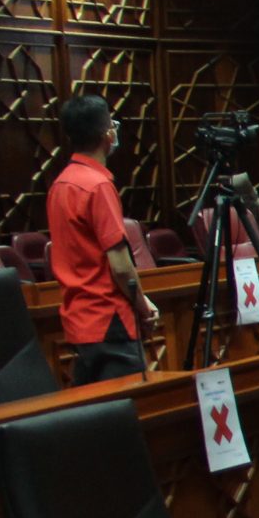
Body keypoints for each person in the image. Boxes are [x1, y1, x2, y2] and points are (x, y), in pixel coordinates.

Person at [46, 93, 156, 385]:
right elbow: (120, 267)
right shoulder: (98, 186)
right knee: (131, 406)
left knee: (94, 409)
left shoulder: (60, 184)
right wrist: (143, 307)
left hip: (79, 319)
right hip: (109, 319)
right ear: (108, 134)